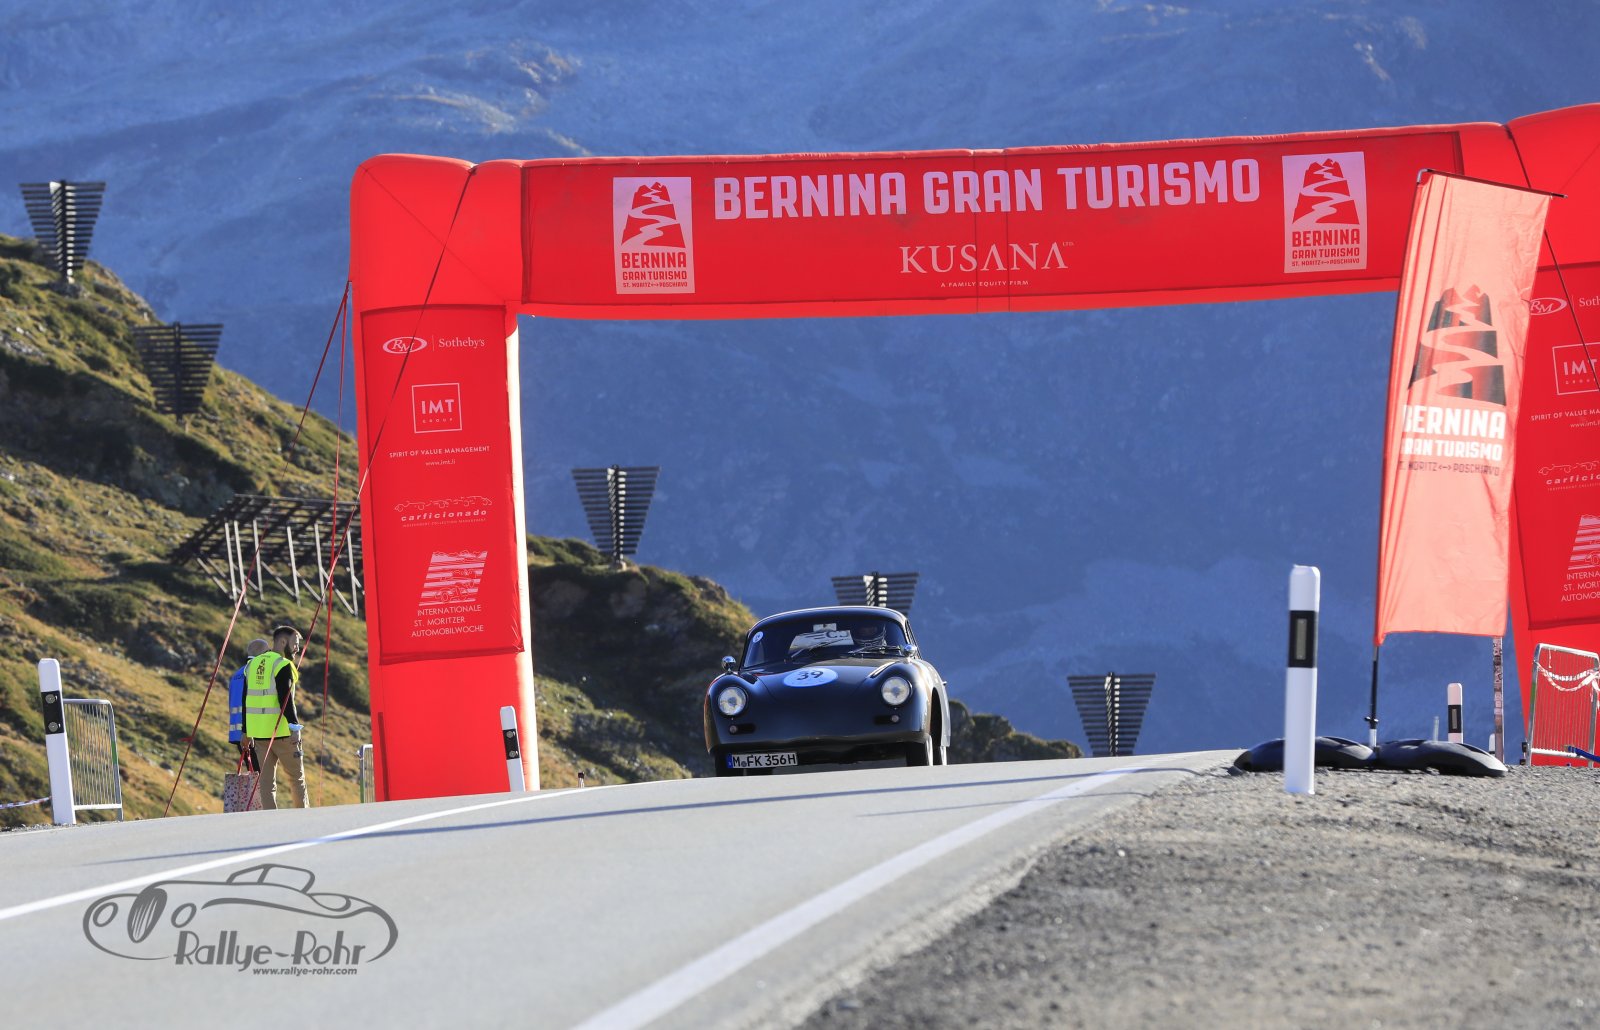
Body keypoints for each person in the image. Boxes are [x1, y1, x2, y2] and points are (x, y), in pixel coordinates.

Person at [244, 623, 310, 809]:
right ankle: (303, 818)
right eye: (295, 643)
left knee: (265, 783)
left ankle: (270, 820)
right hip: (282, 733)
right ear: (282, 642)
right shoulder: (282, 665)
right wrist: (294, 727)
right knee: (296, 779)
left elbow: (245, 699)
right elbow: (285, 699)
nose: (297, 648)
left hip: (260, 734)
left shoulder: (252, 664)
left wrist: (245, 731)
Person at [226, 638, 271, 771]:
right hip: (253, 733)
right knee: (262, 776)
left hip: (237, 733)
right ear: (265, 653)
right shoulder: (258, 673)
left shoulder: (237, 674)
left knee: (254, 773)